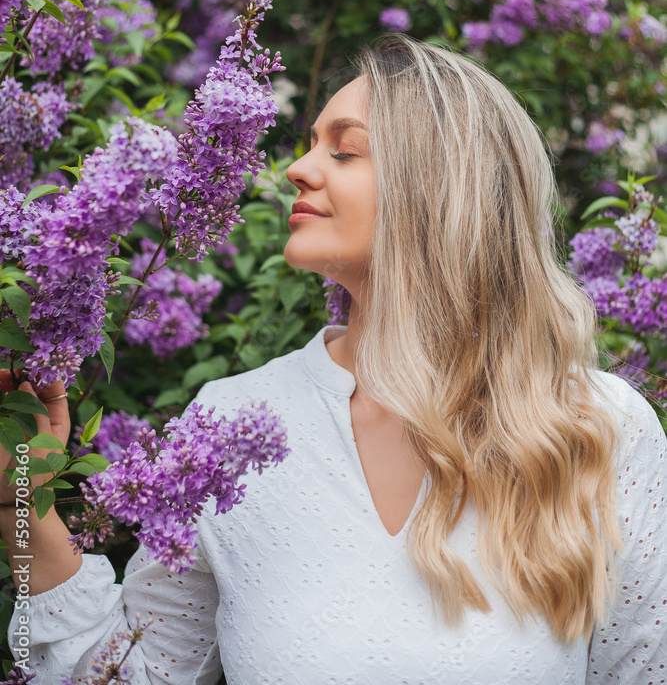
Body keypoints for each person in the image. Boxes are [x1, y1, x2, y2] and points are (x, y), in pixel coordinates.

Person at [1, 34, 665, 684]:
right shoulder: (229, 424)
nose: (298, 168)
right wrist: (18, 507)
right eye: (310, 143)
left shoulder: (596, 428)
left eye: (345, 152)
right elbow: (125, 677)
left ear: (441, 185)